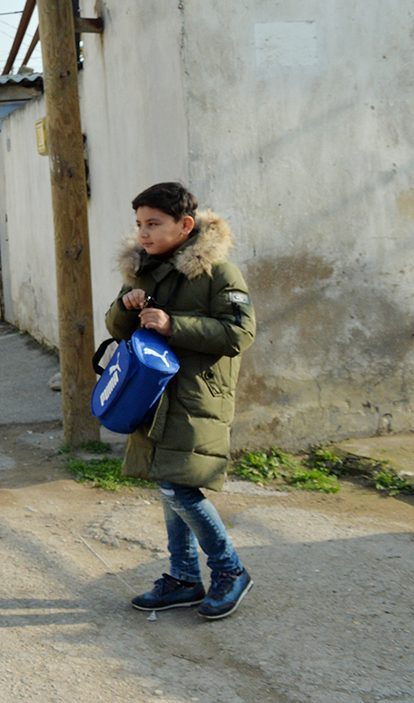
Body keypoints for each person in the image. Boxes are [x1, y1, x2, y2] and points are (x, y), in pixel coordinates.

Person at [105, 182, 255, 620]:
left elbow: (239, 334)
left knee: (178, 487)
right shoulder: (144, 271)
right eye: (139, 224)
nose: (144, 233)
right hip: (152, 396)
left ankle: (230, 570)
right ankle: (185, 578)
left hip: (196, 396)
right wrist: (128, 308)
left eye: (154, 223)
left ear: (185, 225)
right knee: (170, 482)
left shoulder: (219, 274)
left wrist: (175, 325)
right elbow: (117, 326)